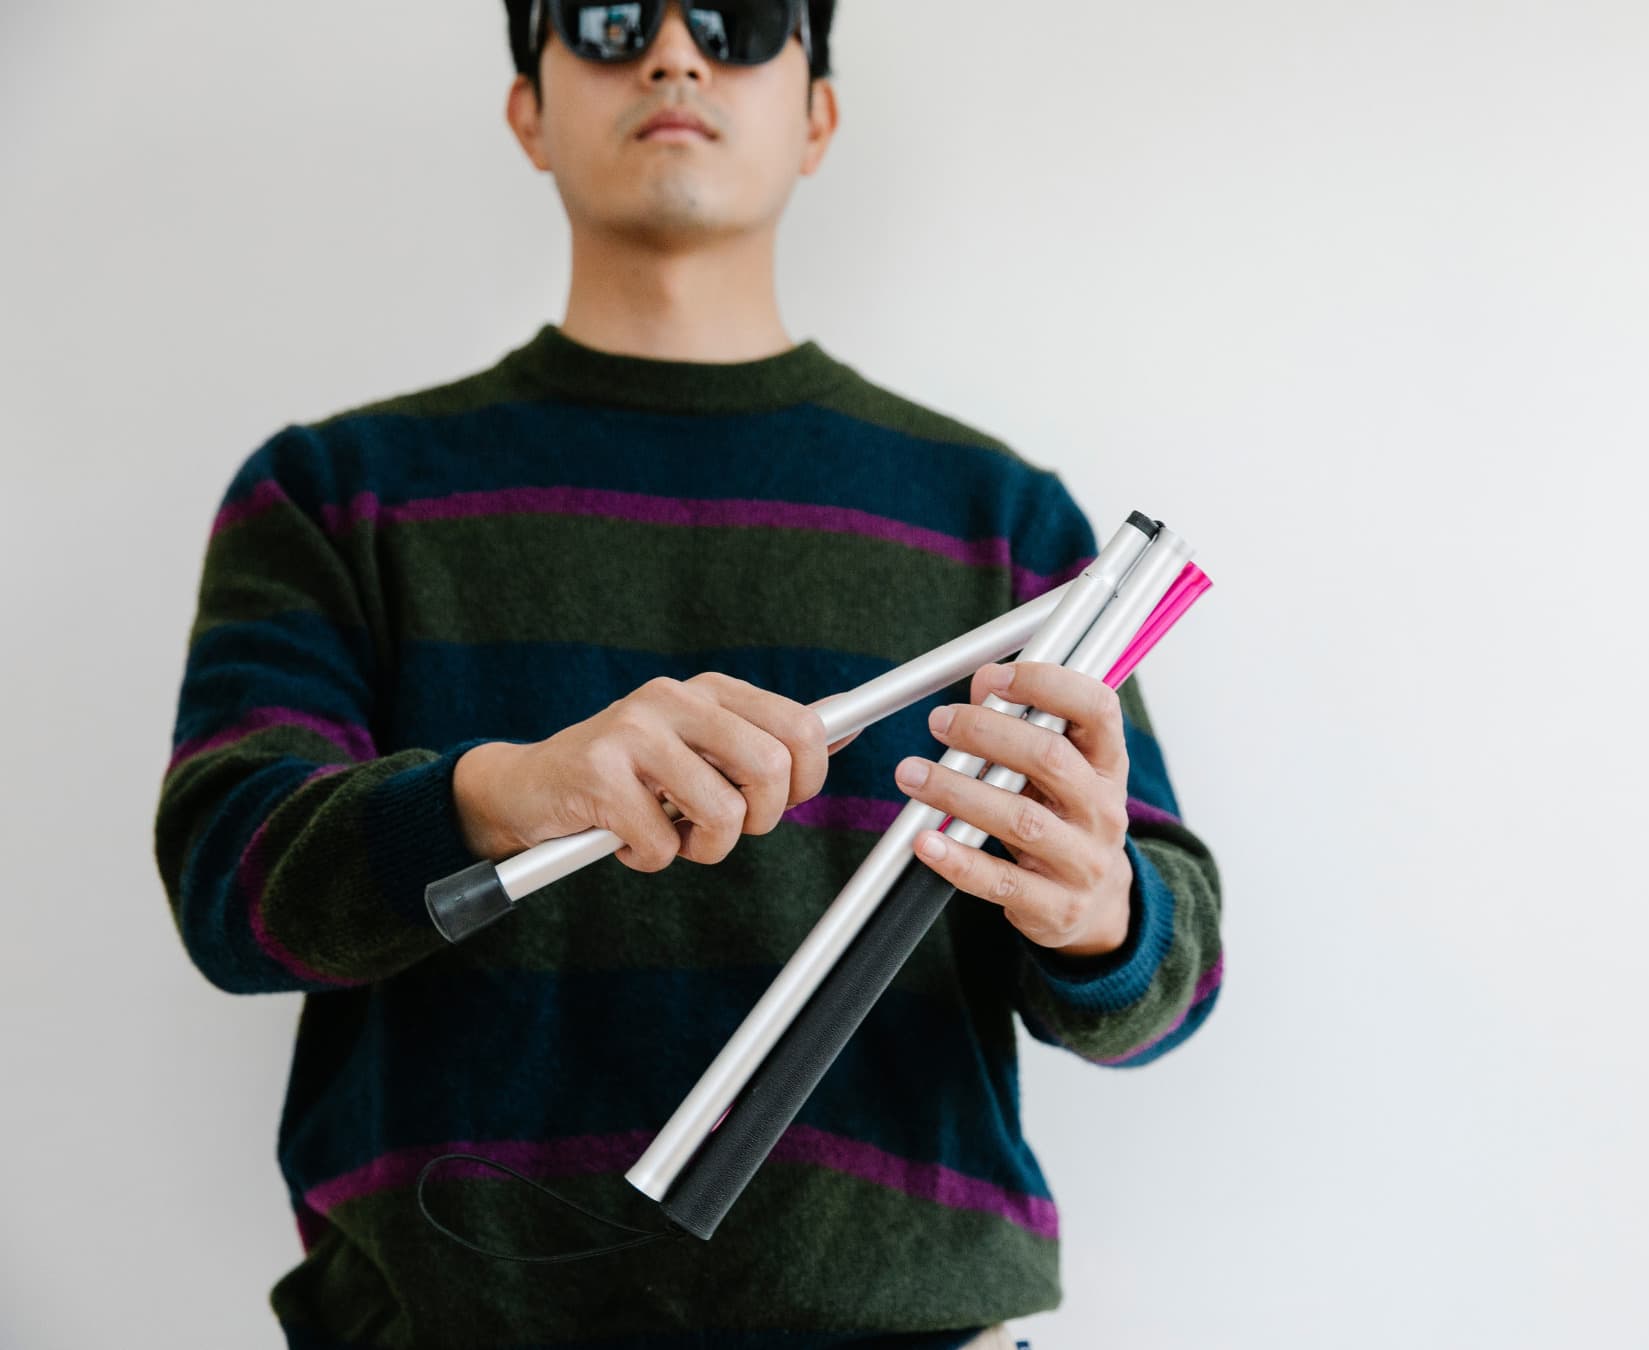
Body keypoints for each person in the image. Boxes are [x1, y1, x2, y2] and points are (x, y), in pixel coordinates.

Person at [151, 2, 1225, 1345]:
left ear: (818, 112)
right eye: (606, 20)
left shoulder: (1006, 522)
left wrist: (1102, 907)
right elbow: (226, 881)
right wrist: (505, 794)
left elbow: (1176, 963)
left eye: (741, 18)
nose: (673, 54)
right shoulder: (330, 494)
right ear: (527, 105)